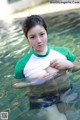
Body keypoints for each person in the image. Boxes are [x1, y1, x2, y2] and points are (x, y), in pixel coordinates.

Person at [13, 15, 80, 120]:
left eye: (42, 34)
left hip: (65, 91)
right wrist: (33, 82)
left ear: (46, 32)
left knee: (73, 116)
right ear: (27, 38)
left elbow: (78, 67)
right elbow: (15, 84)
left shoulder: (63, 52)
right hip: (42, 98)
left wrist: (70, 65)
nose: (39, 40)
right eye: (32, 37)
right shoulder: (22, 64)